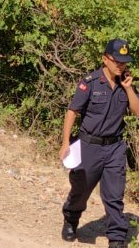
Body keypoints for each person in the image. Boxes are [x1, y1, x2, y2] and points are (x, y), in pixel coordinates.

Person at [59, 39, 139, 247]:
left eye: (124, 62)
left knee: (114, 195)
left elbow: (137, 111)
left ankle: (117, 237)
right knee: (81, 190)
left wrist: (129, 89)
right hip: (89, 146)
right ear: (105, 59)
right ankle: (71, 218)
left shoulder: (126, 84)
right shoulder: (90, 82)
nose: (121, 66)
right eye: (117, 61)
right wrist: (65, 142)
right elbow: (72, 111)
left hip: (115, 148)